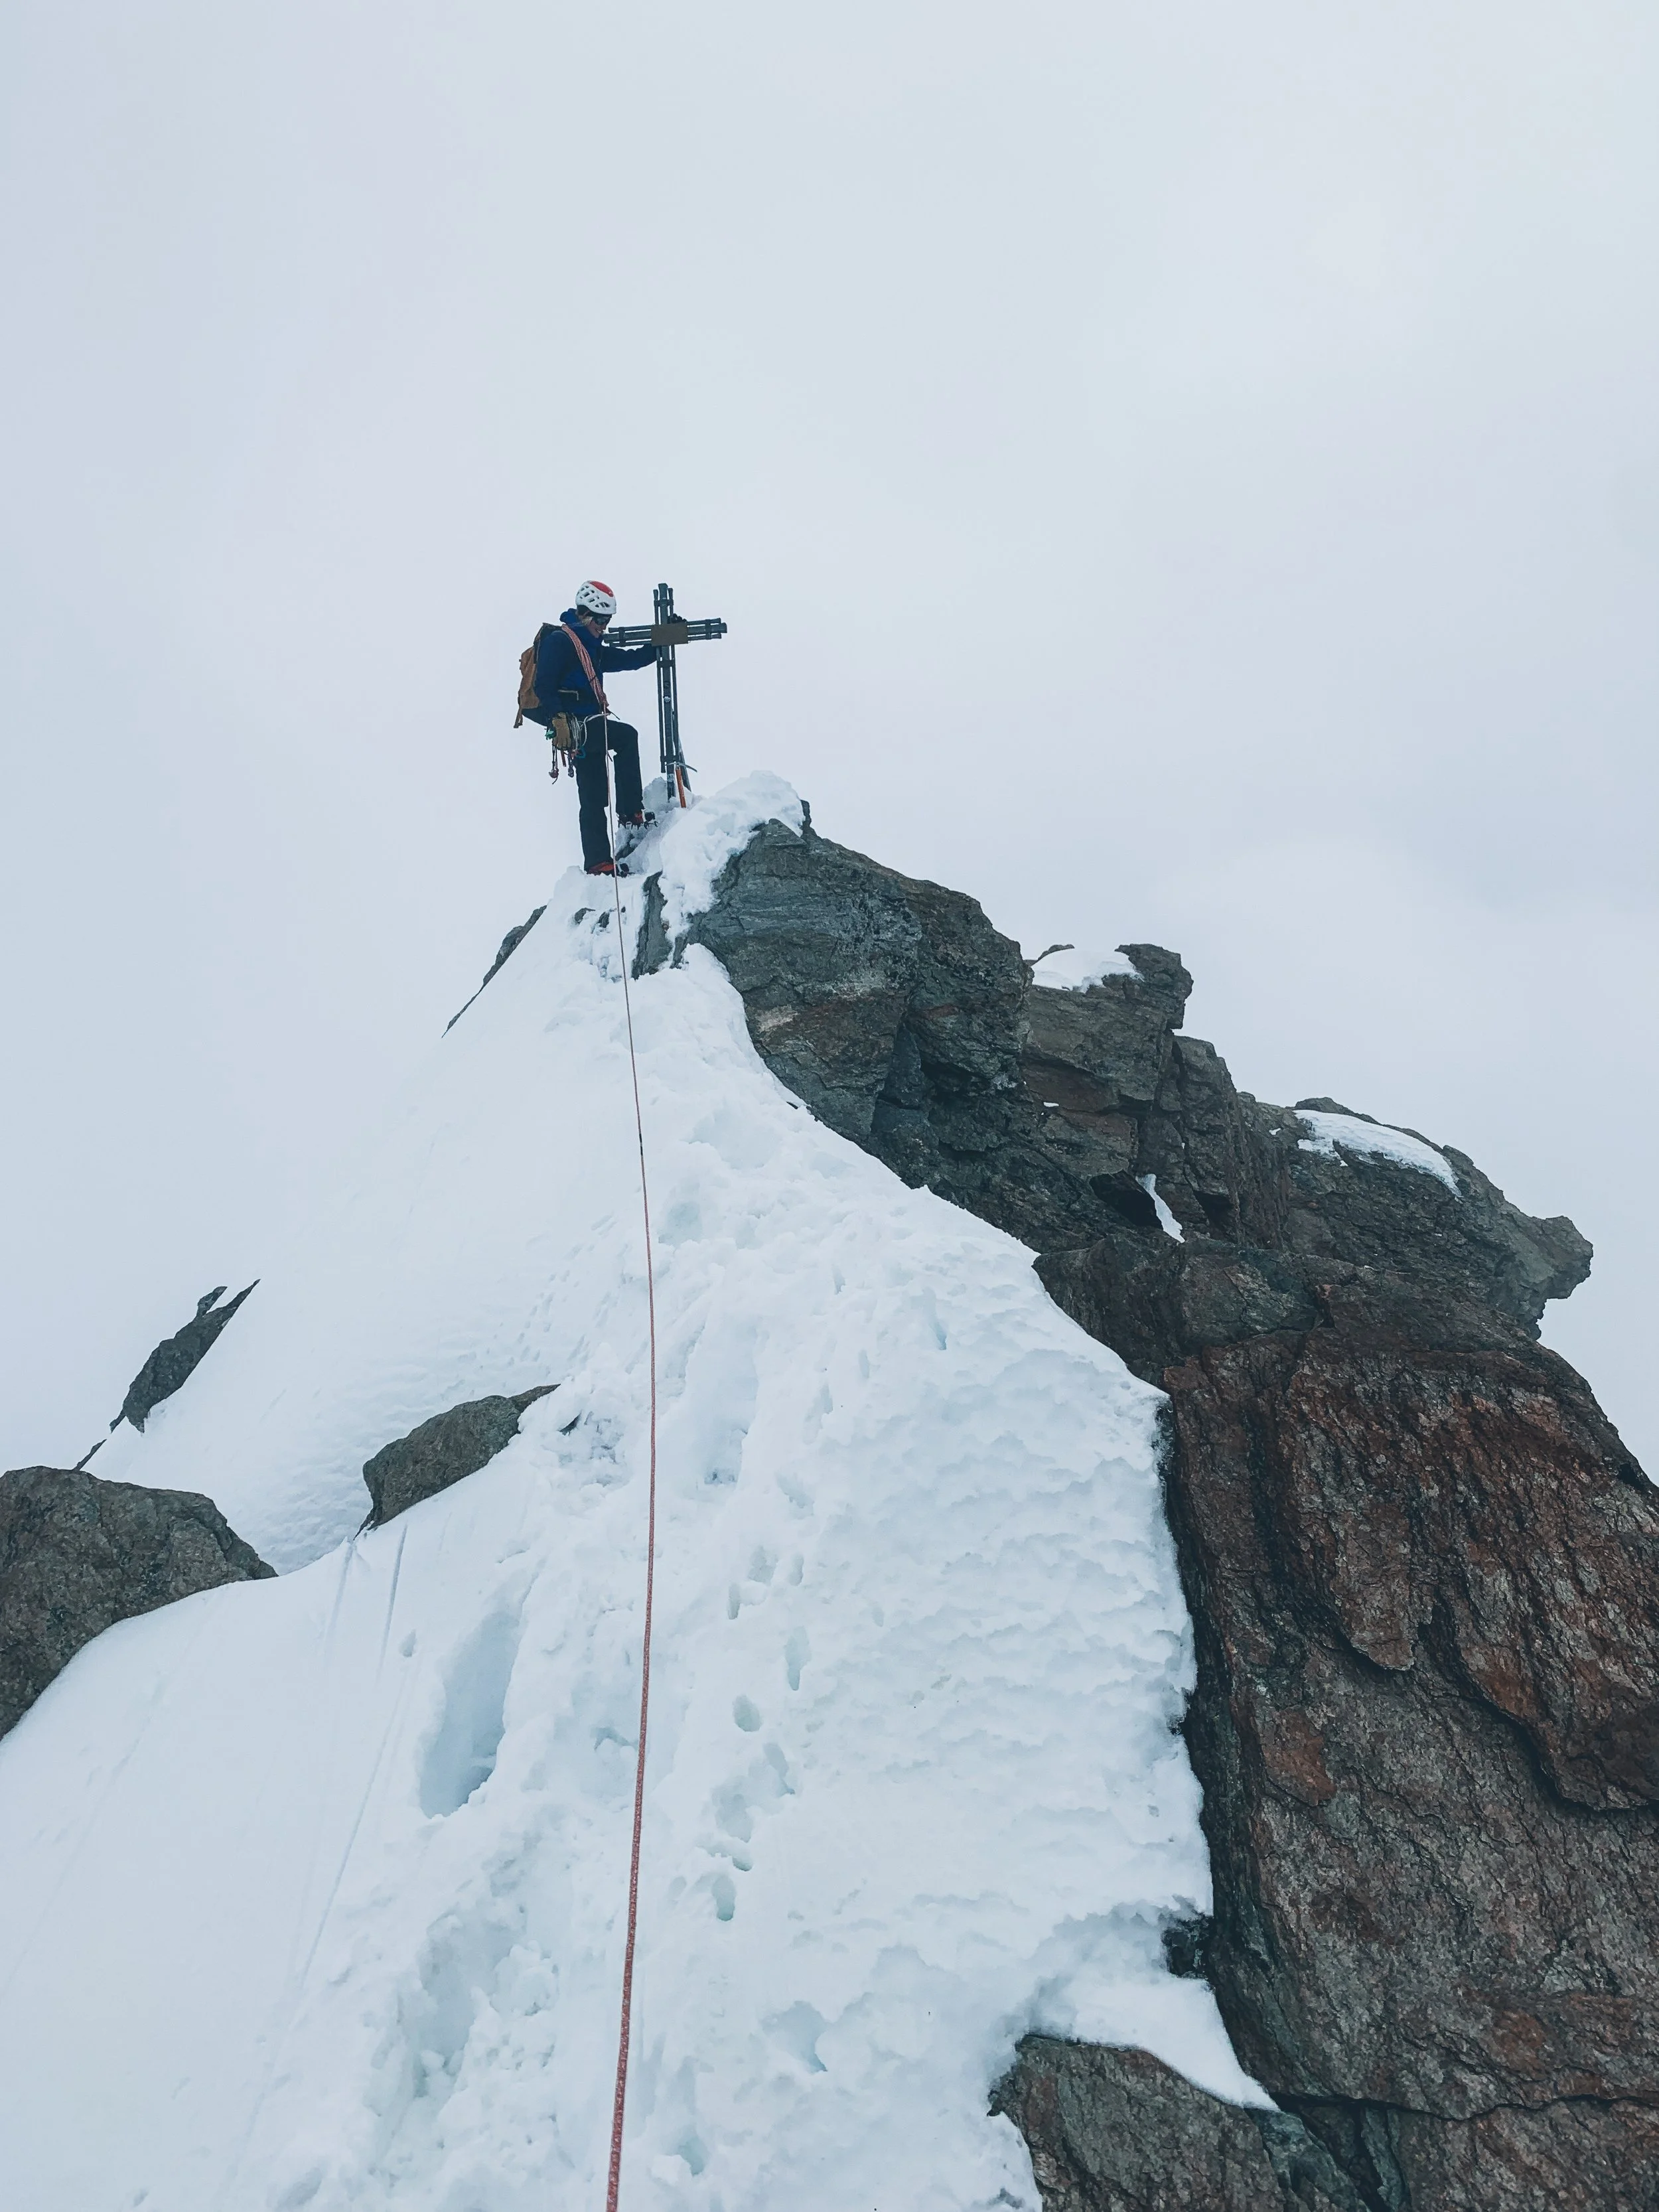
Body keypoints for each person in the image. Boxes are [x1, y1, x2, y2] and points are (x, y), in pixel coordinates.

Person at [534, 581, 658, 874]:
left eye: (608, 621)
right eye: (601, 620)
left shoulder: (593, 649)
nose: (605, 627)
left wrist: (662, 641)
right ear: (586, 615)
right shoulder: (561, 642)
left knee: (592, 793)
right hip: (576, 726)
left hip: (587, 726)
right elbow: (543, 685)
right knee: (625, 739)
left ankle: (599, 861)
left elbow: (631, 660)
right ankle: (628, 814)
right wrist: (557, 718)